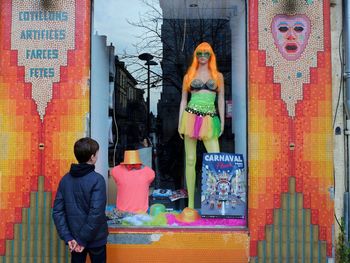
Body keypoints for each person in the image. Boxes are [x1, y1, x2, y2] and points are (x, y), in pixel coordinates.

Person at [178, 42, 225, 209]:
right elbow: (184, 100)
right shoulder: (188, 76)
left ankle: (218, 202)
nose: (203, 56)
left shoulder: (218, 76)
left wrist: (223, 121)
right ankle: (190, 204)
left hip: (210, 119)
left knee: (216, 159)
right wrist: (180, 123)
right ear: (195, 55)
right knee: (190, 160)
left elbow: (220, 99)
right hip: (190, 117)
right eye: (199, 53)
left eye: (206, 53)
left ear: (211, 55)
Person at [52, 137, 108, 263]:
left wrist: (68, 237)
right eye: (97, 153)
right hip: (95, 240)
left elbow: (57, 212)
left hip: (74, 240)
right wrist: (81, 240)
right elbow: (96, 214)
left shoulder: (65, 179)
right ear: (92, 157)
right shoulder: (97, 180)